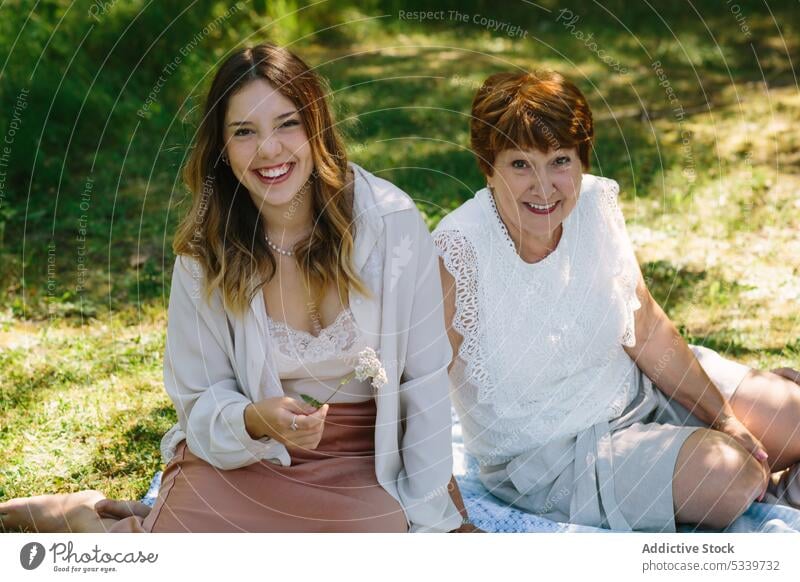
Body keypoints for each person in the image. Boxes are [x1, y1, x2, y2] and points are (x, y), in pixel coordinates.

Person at [0, 43, 470, 533]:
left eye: (288, 123)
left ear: (317, 127)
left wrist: (428, 515)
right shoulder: (206, 253)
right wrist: (254, 419)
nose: (269, 150)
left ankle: (120, 518)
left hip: (368, 456)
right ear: (222, 148)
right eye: (245, 132)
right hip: (248, 453)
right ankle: (80, 516)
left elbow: (424, 380)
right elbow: (197, 396)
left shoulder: (390, 224)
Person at [433, 70, 800, 532]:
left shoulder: (592, 204)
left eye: (560, 161)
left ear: (580, 160)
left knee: (793, 414)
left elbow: (643, 326)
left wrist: (725, 418)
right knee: (731, 475)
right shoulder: (458, 251)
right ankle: (760, 485)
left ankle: (733, 466)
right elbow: (419, 395)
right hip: (551, 460)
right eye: (520, 164)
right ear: (489, 167)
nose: (544, 187)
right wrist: (453, 524)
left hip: (634, 393)